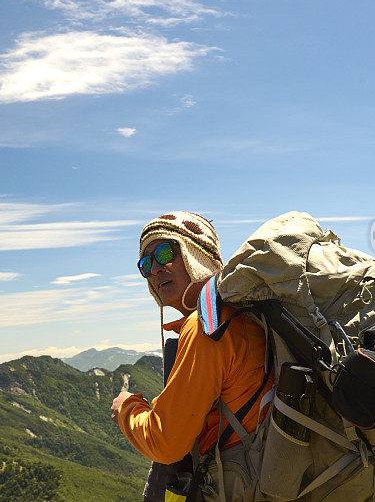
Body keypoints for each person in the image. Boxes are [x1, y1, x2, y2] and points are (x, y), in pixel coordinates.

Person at [111, 211, 273, 501]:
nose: (155, 269)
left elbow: (166, 443)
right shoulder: (244, 315)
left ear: (196, 253)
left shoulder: (205, 328)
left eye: (164, 252)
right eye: (146, 264)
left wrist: (126, 408)